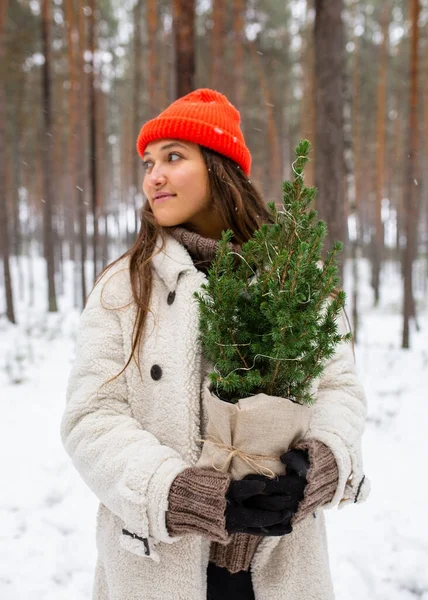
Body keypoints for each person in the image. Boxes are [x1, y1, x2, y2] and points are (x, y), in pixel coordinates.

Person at [61, 88, 369, 600]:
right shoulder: (124, 286)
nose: (152, 176)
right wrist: (179, 493)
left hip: (281, 560)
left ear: (220, 170)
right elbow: (90, 417)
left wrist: (323, 462)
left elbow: (340, 388)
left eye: (174, 157)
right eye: (148, 162)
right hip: (159, 561)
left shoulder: (294, 277)